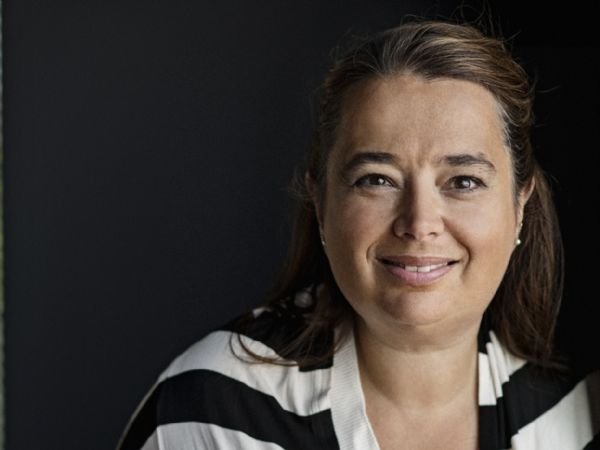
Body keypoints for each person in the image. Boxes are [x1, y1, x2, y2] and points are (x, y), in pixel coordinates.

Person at [117, 18, 600, 450]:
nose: (419, 223)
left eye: (464, 182)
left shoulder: (578, 412)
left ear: (519, 205)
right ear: (321, 201)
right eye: (377, 180)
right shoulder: (220, 408)